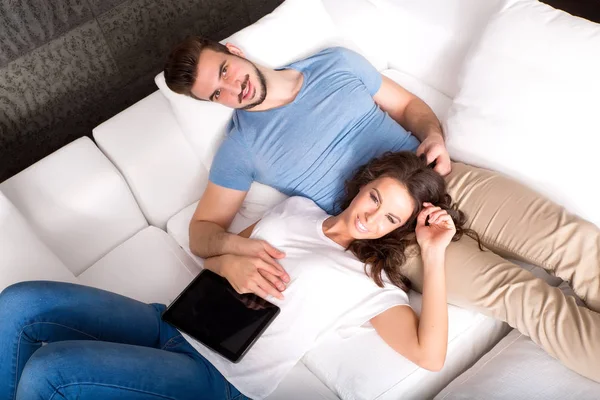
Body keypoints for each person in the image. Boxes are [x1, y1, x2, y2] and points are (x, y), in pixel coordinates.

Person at [163, 36, 600, 382]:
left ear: (234, 51)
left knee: (575, 243)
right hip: (391, 235)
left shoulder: (334, 63)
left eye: (224, 71)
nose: (231, 88)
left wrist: (432, 135)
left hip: (442, 180)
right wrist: (230, 256)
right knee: (521, 297)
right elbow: (202, 231)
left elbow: (410, 107)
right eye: (216, 94)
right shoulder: (240, 147)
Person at [0, 152, 461, 399]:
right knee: (18, 303)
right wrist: (233, 264)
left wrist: (434, 253)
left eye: (390, 219)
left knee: (50, 371)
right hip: (174, 321)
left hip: (219, 378)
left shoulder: (369, 282)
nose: (372, 218)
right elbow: (213, 259)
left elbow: (430, 354)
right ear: (367, 181)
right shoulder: (296, 209)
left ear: (399, 230)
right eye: (376, 198)